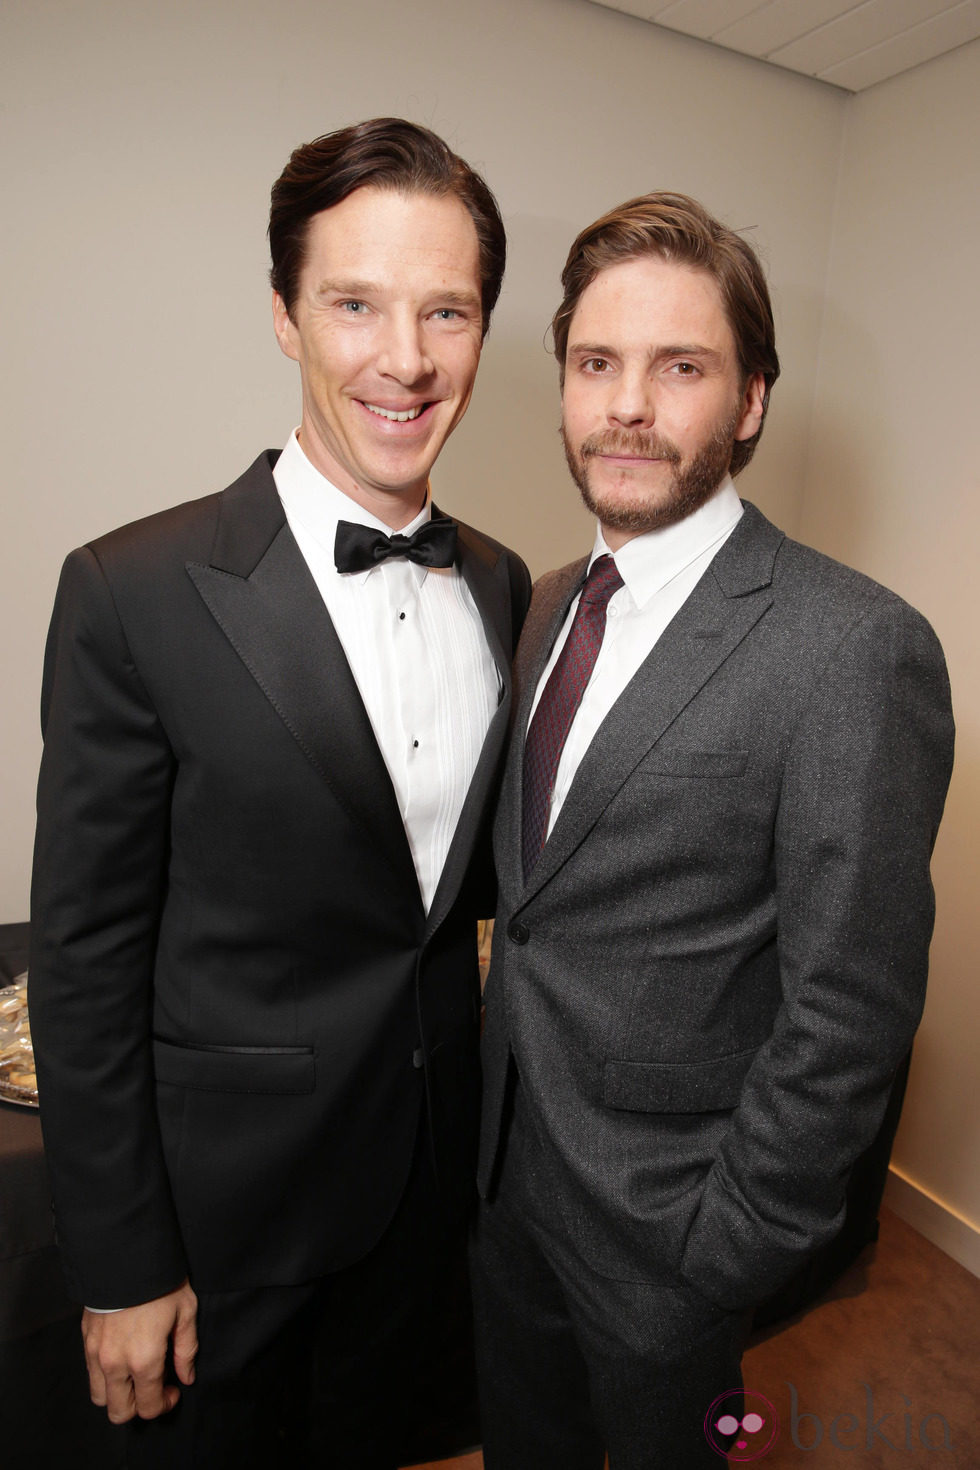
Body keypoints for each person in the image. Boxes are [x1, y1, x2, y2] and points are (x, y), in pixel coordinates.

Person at [29, 117, 530, 1470]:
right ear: (282, 313)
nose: (405, 358)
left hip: (427, 1207)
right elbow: (82, 959)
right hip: (219, 1234)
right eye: (355, 304)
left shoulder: (501, 583)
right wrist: (122, 1259)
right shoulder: (130, 590)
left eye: (448, 311)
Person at [471, 191, 954, 1469]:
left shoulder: (851, 648)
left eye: (677, 366)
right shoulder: (551, 601)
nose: (625, 405)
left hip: (667, 1246)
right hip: (507, 1191)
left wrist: (720, 1250)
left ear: (747, 400)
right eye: (595, 364)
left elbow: (848, 1005)